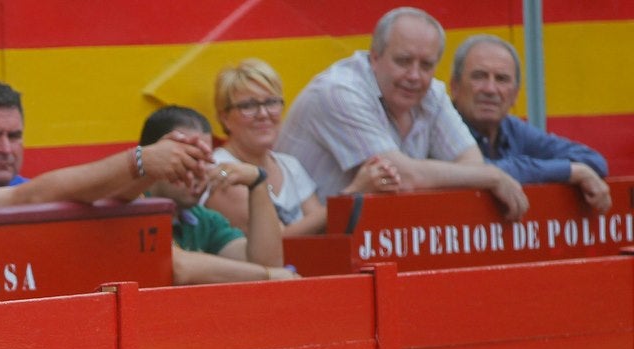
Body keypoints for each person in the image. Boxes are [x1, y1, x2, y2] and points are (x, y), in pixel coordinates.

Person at [276, 7, 528, 219]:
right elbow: (403, 176)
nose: (415, 76)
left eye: (426, 65)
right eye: (403, 61)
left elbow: (472, 165)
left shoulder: (433, 92)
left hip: (371, 242)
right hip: (299, 249)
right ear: (374, 57)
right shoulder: (338, 91)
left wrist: (480, 175)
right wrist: (492, 176)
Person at [0, 79, 209, 211]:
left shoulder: (19, 187)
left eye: (14, 136)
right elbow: (32, 197)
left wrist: (158, 164)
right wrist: (140, 161)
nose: (5, 148)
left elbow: (103, 198)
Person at [449, 34, 611, 214]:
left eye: (501, 79)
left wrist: (573, 170)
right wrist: (571, 172)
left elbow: (594, 161)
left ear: (515, 94)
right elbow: (474, 170)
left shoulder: (512, 128)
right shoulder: (440, 127)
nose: (490, 89)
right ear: (454, 87)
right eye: (479, 77)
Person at [140, 107, 294, 286]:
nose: (201, 171)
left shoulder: (202, 218)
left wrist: (258, 183)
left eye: (207, 160)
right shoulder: (131, 207)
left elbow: (266, 265)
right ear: (152, 156)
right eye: (190, 158)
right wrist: (267, 275)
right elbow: (178, 267)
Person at [205, 60, 327, 237]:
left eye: (271, 103)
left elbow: (321, 231)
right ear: (224, 118)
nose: (263, 114)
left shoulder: (289, 165)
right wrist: (351, 197)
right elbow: (274, 241)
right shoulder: (220, 168)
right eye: (248, 106)